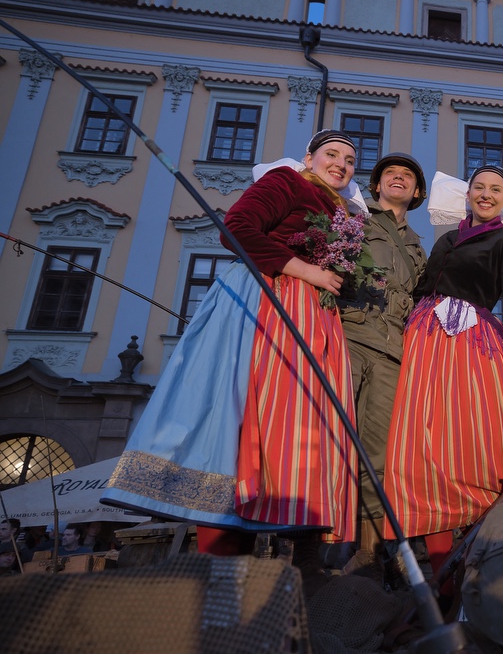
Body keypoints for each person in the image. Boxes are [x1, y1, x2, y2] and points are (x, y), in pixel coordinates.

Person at [103, 130, 363, 565]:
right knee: (236, 414)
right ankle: (219, 552)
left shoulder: (343, 211)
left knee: (293, 426)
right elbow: (235, 230)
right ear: (308, 158)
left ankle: (284, 533)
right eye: (331, 154)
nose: (340, 163)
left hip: (312, 316)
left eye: (350, 160)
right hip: (265, 302)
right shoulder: (285, 182)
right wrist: (307, 271)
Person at [383, 165, 503, 578]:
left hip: (471, 338)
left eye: (496, 190)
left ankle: (487, 552)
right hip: (424, 339)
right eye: (479, 187)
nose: (486, 194)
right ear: (468, 194)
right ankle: (436, 562)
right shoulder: (445, 238)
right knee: (420, 443)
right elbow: (421, 290)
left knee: (479, 435)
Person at [336, 153, 427, 558]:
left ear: (417, 192)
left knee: (379, 456)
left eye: (407, 176)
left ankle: (366, 557)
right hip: (348, 336)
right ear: (376, 185)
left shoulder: (418, 247)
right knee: (331, 439)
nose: (398, 179)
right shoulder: (353, 217)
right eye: (390, 173)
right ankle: (312, 549)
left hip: (394, 352)